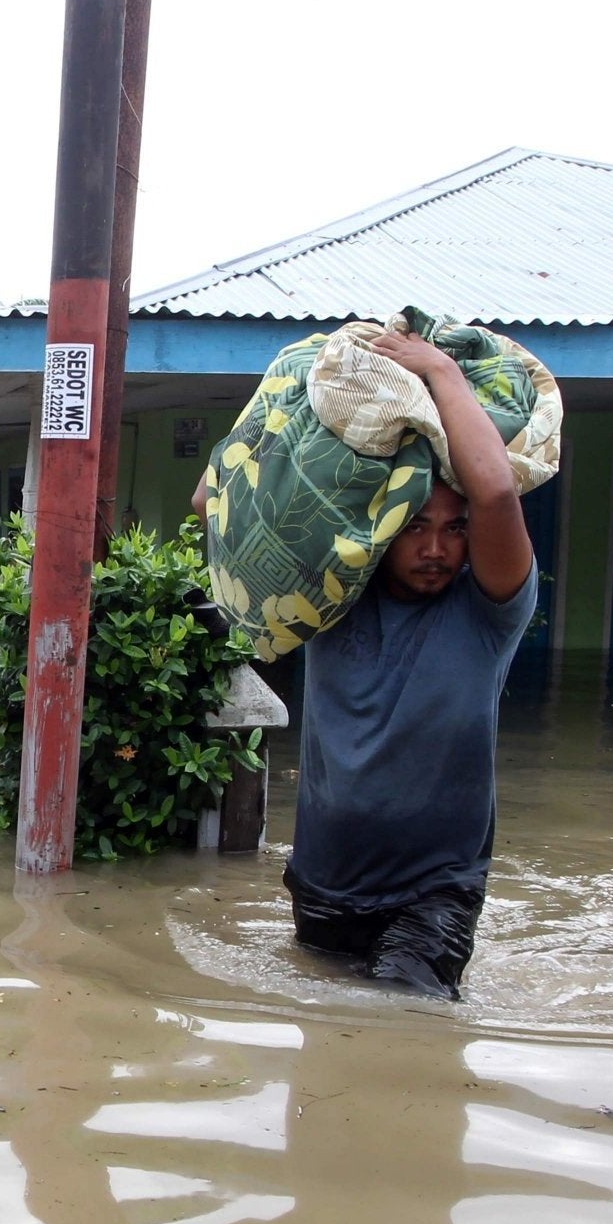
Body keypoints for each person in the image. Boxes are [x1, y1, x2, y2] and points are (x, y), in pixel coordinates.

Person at [205, 330, 538, 998]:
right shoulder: (327, 601)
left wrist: (439, 371)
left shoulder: (489, 612)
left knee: (404, 1029)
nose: (437, 547)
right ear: (380, 528)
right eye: (415, 526)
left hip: (434, 894)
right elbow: (216, 506)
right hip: (323, 884)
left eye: (453, 528)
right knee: (326, 1071)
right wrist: (308, 405)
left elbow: (497, 495)